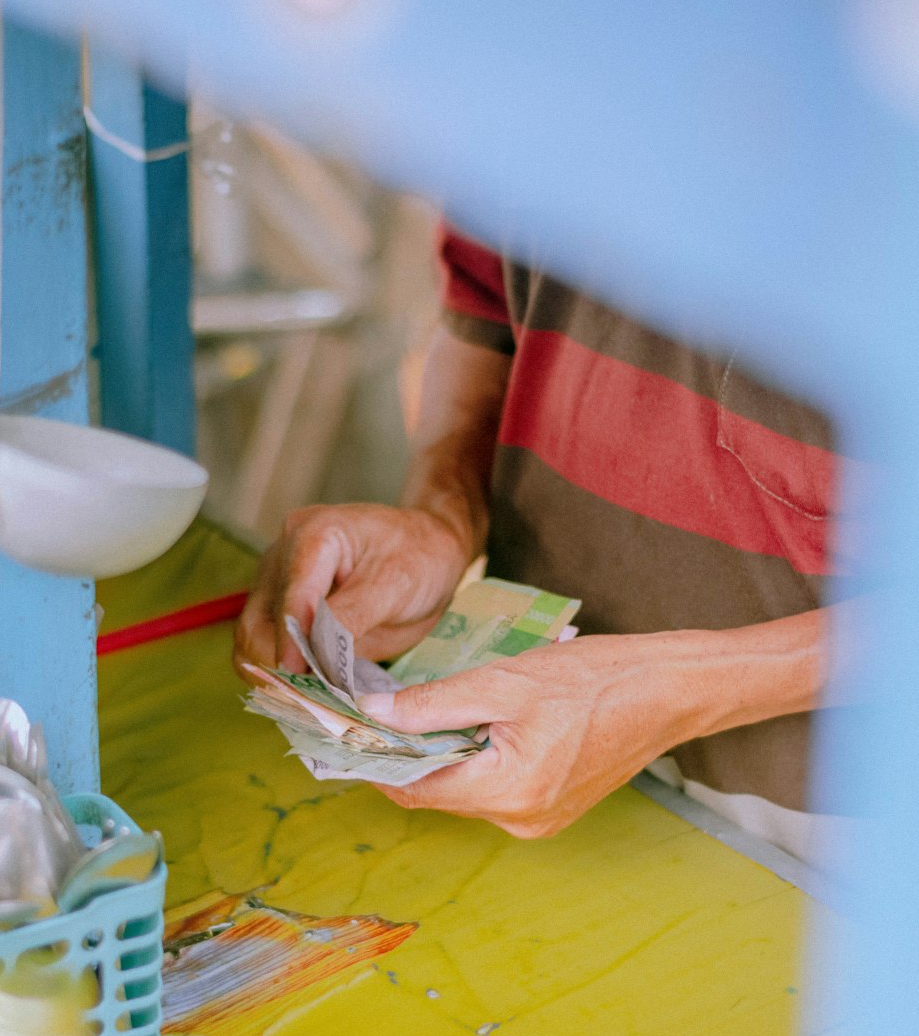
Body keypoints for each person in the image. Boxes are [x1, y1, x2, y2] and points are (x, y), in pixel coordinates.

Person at [234, 223, 845, 866]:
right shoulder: (519, 124)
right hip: (523, 757)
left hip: (823, 849)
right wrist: (444, 512)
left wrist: (681, 689)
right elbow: (487, 309)